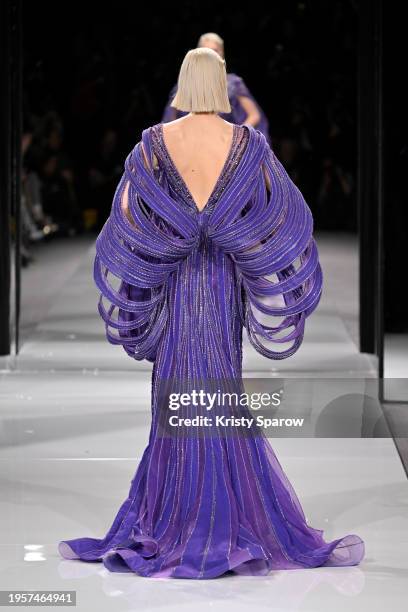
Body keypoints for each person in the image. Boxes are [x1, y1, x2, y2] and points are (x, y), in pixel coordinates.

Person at [58, 47, 364, 579]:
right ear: (222, 84)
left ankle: (170, 516)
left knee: (175, 389)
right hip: (221, 283)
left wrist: (170, 232)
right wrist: (236, 233)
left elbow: (127, 212)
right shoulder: (246, 143)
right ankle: (227, 514)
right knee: (220, 388)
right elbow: (280, 208)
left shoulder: (156, 143)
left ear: (182, 82)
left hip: (179, 284)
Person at [162, 32, 271, 143]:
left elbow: (254, 115)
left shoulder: (233, 83)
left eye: (215, 50)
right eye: (206, 50)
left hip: (223, 141)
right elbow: (170, 116)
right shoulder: (186, 83)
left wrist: (236, 138)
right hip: (191, 140)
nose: (210, 55)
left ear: (222, 53)